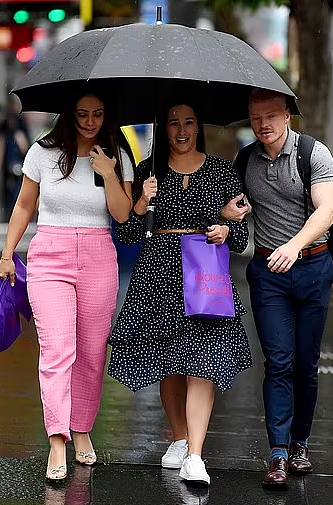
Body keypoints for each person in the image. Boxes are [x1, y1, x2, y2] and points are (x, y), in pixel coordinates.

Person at [108, 100, 252, 486]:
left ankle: (195, 455)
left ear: (198, 126)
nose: (182, 130)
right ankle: (179, 436)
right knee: (168, 361)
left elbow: (240, 236)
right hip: (159, 274)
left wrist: (225, 230)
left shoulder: (222, 172)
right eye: (174, 123)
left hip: (204, 274)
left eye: (189, 122)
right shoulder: (147, 172)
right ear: (163, 127)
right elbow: (125, 234)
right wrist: (140, 203)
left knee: (203, 362)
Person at [0, 90, 135, 482]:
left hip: (99, 256)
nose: (90, 122)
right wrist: (8, 253)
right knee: (58, 349)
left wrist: (108, 172)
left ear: (106, 116)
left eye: (97, 114)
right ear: (69, 115)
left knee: (91, 352)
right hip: (50, 255)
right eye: (82, 114)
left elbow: (122, 213)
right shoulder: (42, 152)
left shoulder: (116, 155)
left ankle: (82, 429)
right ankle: (58, 439)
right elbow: (24, 205)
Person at [221, 88, 333, 488]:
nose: (263, 124)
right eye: (255, 118)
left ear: (288, 114)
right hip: (268, 272)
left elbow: (327, 210)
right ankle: (278, 454)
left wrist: (294, 245)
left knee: (306, 363)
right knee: (279, 361)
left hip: (312, 266)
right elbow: (231, 208)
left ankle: (301, 443)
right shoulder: (245, 160)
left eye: (271, 115)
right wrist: (229, 216)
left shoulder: (313, 154)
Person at [0, 97, 31, 221]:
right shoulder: (6, 125)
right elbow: (0, 145)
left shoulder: (20, 123)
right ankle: (10, 213)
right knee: (9, 190)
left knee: (16, 189)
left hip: (17, 160)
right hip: (9, 161)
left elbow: (24, 145)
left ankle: (13, 213)